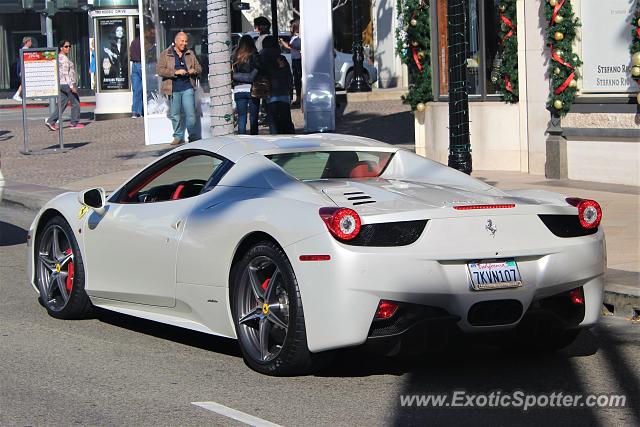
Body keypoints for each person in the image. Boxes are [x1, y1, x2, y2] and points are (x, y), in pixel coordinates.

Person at [156, 32, 202, 145]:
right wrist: (175, 72)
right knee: (175, 114)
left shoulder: (190, 53)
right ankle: (178, 136)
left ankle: (192, 136)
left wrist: (194, 71)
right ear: (176, 41)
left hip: (187, 87)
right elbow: (160, 70)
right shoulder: (166, 54)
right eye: (182, 41)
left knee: (190, 114)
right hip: (173, 88)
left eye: (186, 41)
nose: (184, 43)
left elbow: (199, 68)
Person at [45, 40, 84, 130]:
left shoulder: (58, 57)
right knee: (76, 103)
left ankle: (51, 121)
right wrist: (71, 86)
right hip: (66, 84)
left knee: (62, 104)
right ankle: (74, 123)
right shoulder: (64, 59)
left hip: (61, 84)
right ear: (61, 48)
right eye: (66, 46)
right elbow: (65, 73)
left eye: (69, 46)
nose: (68, 48)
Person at [259, 36, 294, 134]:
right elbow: (289, 76)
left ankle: (276, 140)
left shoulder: (262, 59)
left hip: (270, 94)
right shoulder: (281, 58)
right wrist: (290, 92)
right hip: (283, 92)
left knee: (273, 122)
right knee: (286, 120)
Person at [232, 35, 260, 135]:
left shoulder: (235, 54)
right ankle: (254, 139)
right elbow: (258, 67)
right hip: (252, 89)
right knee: (253, 117)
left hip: (238, 89)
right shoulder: (253, 53)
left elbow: (232, 71)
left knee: (241, 117)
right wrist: (251, 77)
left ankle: (241, 140)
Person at [280, 19, 302, 107]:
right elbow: (290, 47)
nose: (290, 28)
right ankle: (298, 98)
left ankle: (299, 98)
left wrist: (282, 41)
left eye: (291, 26)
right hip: (295, 60)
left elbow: (292, 46)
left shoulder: (299, 38)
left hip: (298, 60)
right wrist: (282, 42)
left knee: (298, 79)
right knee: (296, 80)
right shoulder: (293, 37)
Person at [13, 36, 33, 102]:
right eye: (30, 41)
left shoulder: (24, 49)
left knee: (27, 82)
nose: (31, 43)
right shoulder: (25, 50)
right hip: (25, 69)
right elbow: (23, 61)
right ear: (27, 42)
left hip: (25, 69)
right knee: (24, 83)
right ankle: (17, 95)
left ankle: (33, 95)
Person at [129, 32, 143, 118]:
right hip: (141, 64)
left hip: (134, 65)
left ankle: (135, 111)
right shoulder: (143, 42)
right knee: (144, 89)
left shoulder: (134, 41)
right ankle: (140, 111)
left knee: (136, 89)